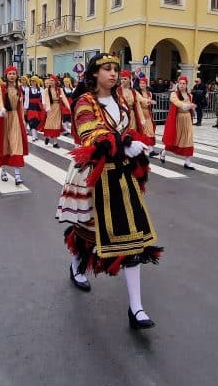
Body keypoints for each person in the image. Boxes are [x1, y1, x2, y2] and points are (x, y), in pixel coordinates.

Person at [56, 52, 161, 329]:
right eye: (107, 69)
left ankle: (136, 308)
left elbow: (129, 129)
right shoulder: (84, 102)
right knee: (86, 232)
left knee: (133, 239)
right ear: (94, 74)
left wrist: (138, 144)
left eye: (116, 69)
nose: (113, 74)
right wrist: (123, 144)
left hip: (122, 176)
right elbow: (90, 132)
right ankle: (77, 266)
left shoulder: (121, 100)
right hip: (93, 175)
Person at [0, 66, 29, 185]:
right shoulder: (1, 87)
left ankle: (17, 175)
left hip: (15, 118)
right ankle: (3, 171)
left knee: (16, 144)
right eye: (10, 74)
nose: (12, 76)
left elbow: (21, 104)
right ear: (6, 75)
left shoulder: (19, 88)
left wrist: (23, 119)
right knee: (4, 145)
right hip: (4, 118)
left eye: (14, 73)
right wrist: (1, 109)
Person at [160, 75, 196, 169]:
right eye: (180, 83)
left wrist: (192, 108)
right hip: (178, 119)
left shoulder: (190, 95)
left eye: (184, 83)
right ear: (178, 84)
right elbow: (177, 103)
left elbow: (191, 107)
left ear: (186, 85)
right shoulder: (174, 94)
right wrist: (187, 105)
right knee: (176, 139)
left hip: (187, 119)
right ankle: (163, 152)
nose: (182, 85)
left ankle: (187, 161)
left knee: (188, 139)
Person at [42, 74, 67, 146]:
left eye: (52, 80)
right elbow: (46, 100)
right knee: (49, 124)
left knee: (56, 125)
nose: (51, 81)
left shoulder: (59, 90)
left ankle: (55, 142)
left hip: (58, 108)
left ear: (55, 81)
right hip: (50, 108)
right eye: (50, 80)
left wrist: (69, 107)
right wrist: (47, 108)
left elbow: (63, 99)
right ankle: (47, 136)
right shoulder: (47, 90)